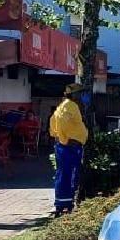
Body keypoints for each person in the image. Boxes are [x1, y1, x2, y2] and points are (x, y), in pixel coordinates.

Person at [49, 84, 89, 215]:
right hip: (69, 146)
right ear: (75, 95)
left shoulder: (62, 106)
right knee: (69, 174)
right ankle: (66, 204)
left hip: (64, 146)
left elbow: (53, 126)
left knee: (63, 174)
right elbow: (64, 125)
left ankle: (62, 203)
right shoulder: (71, 106)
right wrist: (67, 139)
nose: (83, 96)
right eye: (81, 93)